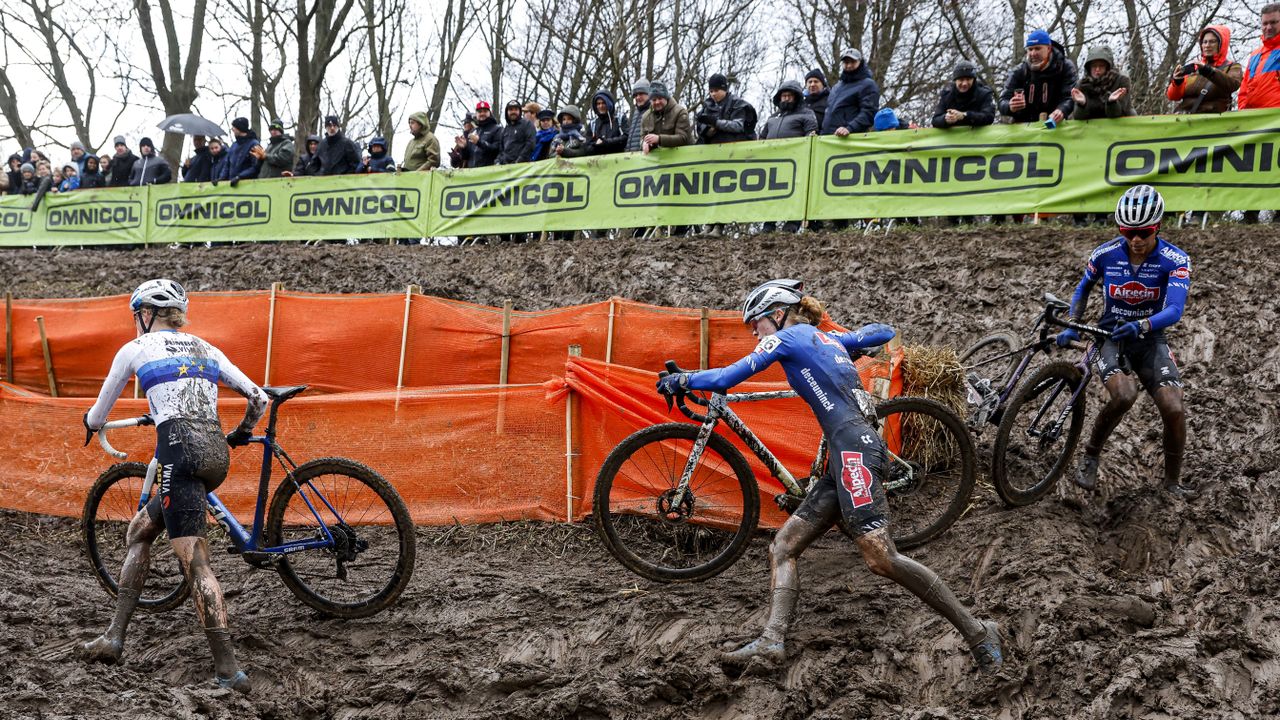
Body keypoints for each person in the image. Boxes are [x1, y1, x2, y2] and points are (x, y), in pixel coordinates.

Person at [656, 280, 1003, 672]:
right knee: (784, 545)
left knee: (881, 557)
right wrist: (848, 339)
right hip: (846, 454)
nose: (753, 332)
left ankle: (978, 632)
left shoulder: (787, 338)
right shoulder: (824, 339)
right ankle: (772, 642)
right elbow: (884, 332)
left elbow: (724, 379)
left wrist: (682, 379)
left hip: (853, 451)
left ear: (777, 314)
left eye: (755, 323)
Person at [80, 279, 268, 694]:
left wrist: (91, 425)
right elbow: (259, 398)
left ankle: (229, 671)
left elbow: (98, 415)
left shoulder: (135, 349)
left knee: (195, 561)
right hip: (216, 453)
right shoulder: (207, 348)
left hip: (178, 454)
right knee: (140, 531)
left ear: (146, 314)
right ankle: (114, 638)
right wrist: (240, 433)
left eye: (137, 315)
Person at [1055, 186, 1192, 498]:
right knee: (1124, 395)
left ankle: (1173, 482)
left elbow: (1174, 309)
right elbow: (1082, 289)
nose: (1136, 240)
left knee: (1173, 408)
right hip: (1110, 337)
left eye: (1143, 232)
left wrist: (1142, 324)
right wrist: (1074, 325)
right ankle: (1090, 455)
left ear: (1157, 227)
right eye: (1128, 232)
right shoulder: (1105, 254)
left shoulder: (1176, 260)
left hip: (1149, 339)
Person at [1237, 5, 1280, 223]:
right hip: (1254, 121)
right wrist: (1243, 113)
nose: (1269, 27)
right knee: (1253, 165)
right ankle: (1250, 211)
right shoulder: (1255, 55)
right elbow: (1245, 88)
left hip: (1276, 119)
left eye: (1274, 22)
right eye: (1265, 23)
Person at [759, 80, 817, 233]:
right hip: (772, 162)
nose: (785, 99)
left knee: (795, 191)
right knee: (771, 192)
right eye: (783, 96)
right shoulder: (773, 117)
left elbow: (811, 134)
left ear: (796, 97)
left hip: (796, 161)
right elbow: (762, 138)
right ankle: (769, 224)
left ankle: (792, 223)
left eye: (789, 96)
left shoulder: (806, 114)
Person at [1000, 29, 1077, 124]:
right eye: (1030, 49)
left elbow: (1070, 96)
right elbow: (1002, 101)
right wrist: (1010, 106)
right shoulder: (1019, 71)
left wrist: (1062, 110)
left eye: (1037, 48)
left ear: (1049, 48)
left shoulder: (1065, 67)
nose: (1033, 54)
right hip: (1024, 129)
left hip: (1056, 126)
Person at [1167, 25, 1242, 114]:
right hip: (1184, 119)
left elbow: (1233, 84)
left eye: (1212, 42)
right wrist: (1177, 81)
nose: (1207, 45)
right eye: (1204, 42)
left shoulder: (1232, 67)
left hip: (1213, 121)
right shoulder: (1194, 67)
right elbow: (1173, 97)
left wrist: (1208, 71)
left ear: (1221, 44)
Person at [822, 49, 880, 136]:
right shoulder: (837, 87)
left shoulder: (867, 84)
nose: (849, 65)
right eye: (846, 62)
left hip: (849, 139)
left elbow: (869, 113)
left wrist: (849, 128)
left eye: (852, 62)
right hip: (828, 138)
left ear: (860, 62)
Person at [1071, 46, 1135, 120]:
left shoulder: (1121, 80)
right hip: (1092, 127)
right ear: (1089, 68)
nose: (1097, 69)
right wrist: (1082, 104)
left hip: (1122, 124)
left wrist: (1112, 102)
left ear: (1107, 67)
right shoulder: (1082, 84)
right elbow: (1078, 117)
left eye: (1101, 66)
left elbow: (1118, 114)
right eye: (1094, 66)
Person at [930, 60, 996, 129]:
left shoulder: (984, 94)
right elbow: (935, 120)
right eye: (961, 80)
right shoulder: (947, 95)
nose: (964, 83)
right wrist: (945, 119)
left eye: (968, 79)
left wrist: (965, 116)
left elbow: (989, 117)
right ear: (955, 81)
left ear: (973, 79)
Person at [696, 74, 757, 144]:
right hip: (712, 148)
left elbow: (739, 126)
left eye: (716, 90)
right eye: (711, 91)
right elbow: (700, 127)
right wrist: (707, 130)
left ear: (724, 89)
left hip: (737, 146)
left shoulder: (738, 104)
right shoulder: (707, 106)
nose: (713, 94)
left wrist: (716, 123)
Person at [641, 81, 694, 153]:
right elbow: (642, 137)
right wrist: (644, 143)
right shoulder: (646, 117)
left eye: (660, 98)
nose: (657, 102)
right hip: (658, 159)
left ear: (666, 97)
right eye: (654, 100)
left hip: (684, 157)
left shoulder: (680, 112)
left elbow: (683, 138)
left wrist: (659, 139)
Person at [581, 90, 627, 155]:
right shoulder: (593, 124)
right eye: (598, 104)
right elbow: (586, 146)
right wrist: (596, 145)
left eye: (603, 103)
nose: (601, 106)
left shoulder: (620, 119)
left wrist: (606, 142)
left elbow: (625, 138)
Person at [497, 99, 536, 165]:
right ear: (507, 112)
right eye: (511, 109)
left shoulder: (527, 124)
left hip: (522, 167)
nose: (513, 112)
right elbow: (501, 150)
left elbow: (530, 144)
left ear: (520, 111)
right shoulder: (505, 129)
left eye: (516, 109)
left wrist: (519, 161)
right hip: (505, 167)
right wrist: (498, 161)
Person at [224, 117, 261, 186]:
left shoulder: (254, 144)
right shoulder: (234, 145)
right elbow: (227, 165)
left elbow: (255, 167)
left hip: (247, 185)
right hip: (232, 183)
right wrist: (221, 178)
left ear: (240, 128)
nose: (232, 129)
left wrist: (240, 177)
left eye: (234, 127)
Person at [468, 101, 503, 167]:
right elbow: (467, 156)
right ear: (476, 114)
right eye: (480, 111)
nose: (482, 113)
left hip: (489, 172)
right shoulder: (473, 131)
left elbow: (497, 149)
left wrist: (479, 142)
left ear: (489, 113)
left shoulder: (497, 129)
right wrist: (463, 148)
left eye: (485, 111)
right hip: (472, 173)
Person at [624, 80, 650, 152]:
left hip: (645, 156)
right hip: (632, 157)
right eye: (635, 95)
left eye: (641, 94)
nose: (638, 97)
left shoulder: (653, 111)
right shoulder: (635, 112)